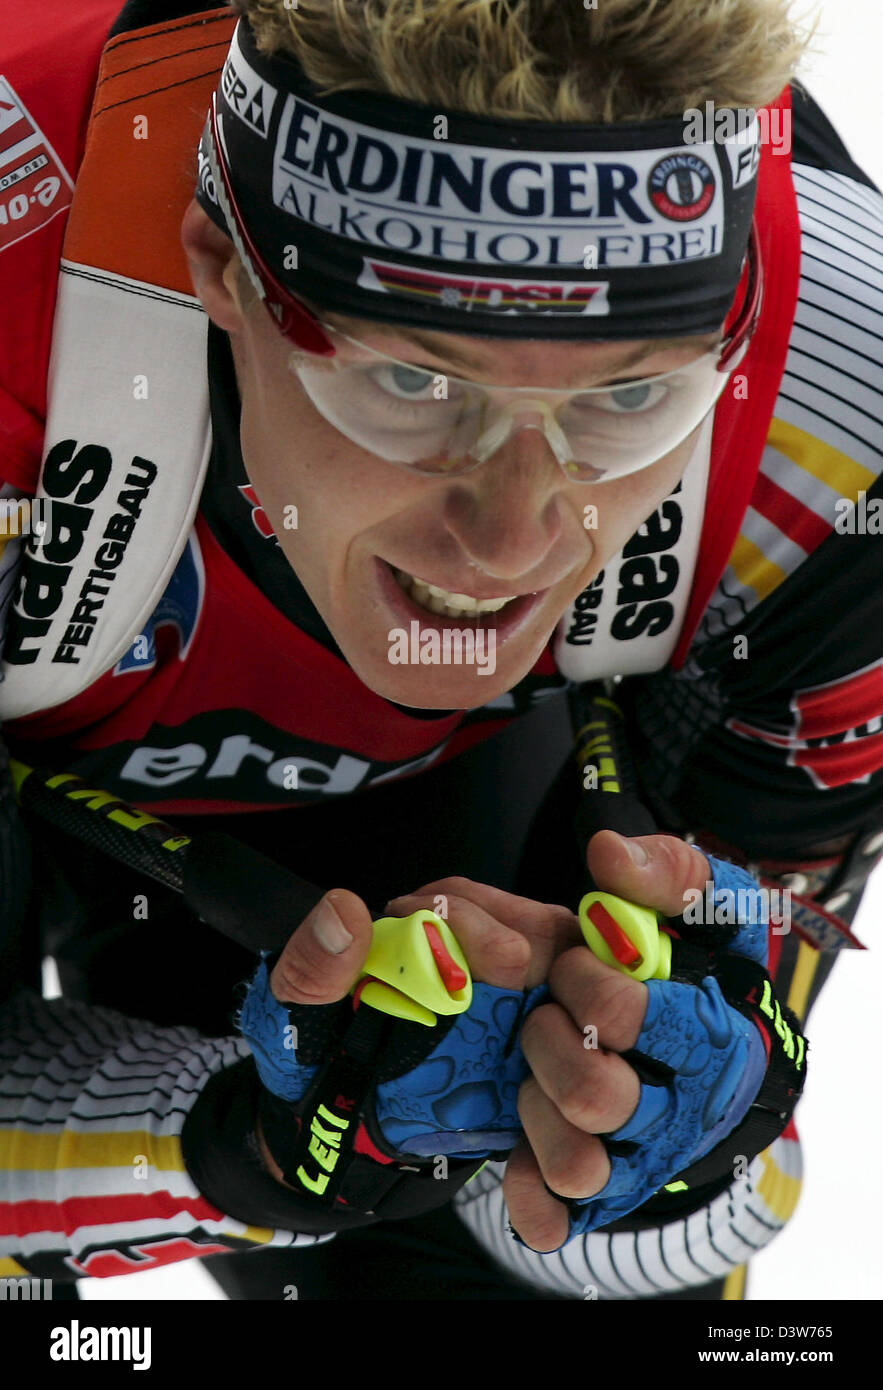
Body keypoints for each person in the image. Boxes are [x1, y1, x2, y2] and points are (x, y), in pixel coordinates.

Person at [0, 0, 880, 1302]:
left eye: (628, 396)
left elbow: (664, 1186)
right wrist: (238, 1156)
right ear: (220, 268)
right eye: (411, 385)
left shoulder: (838, 399)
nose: (511, 537)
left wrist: (683, 1109)